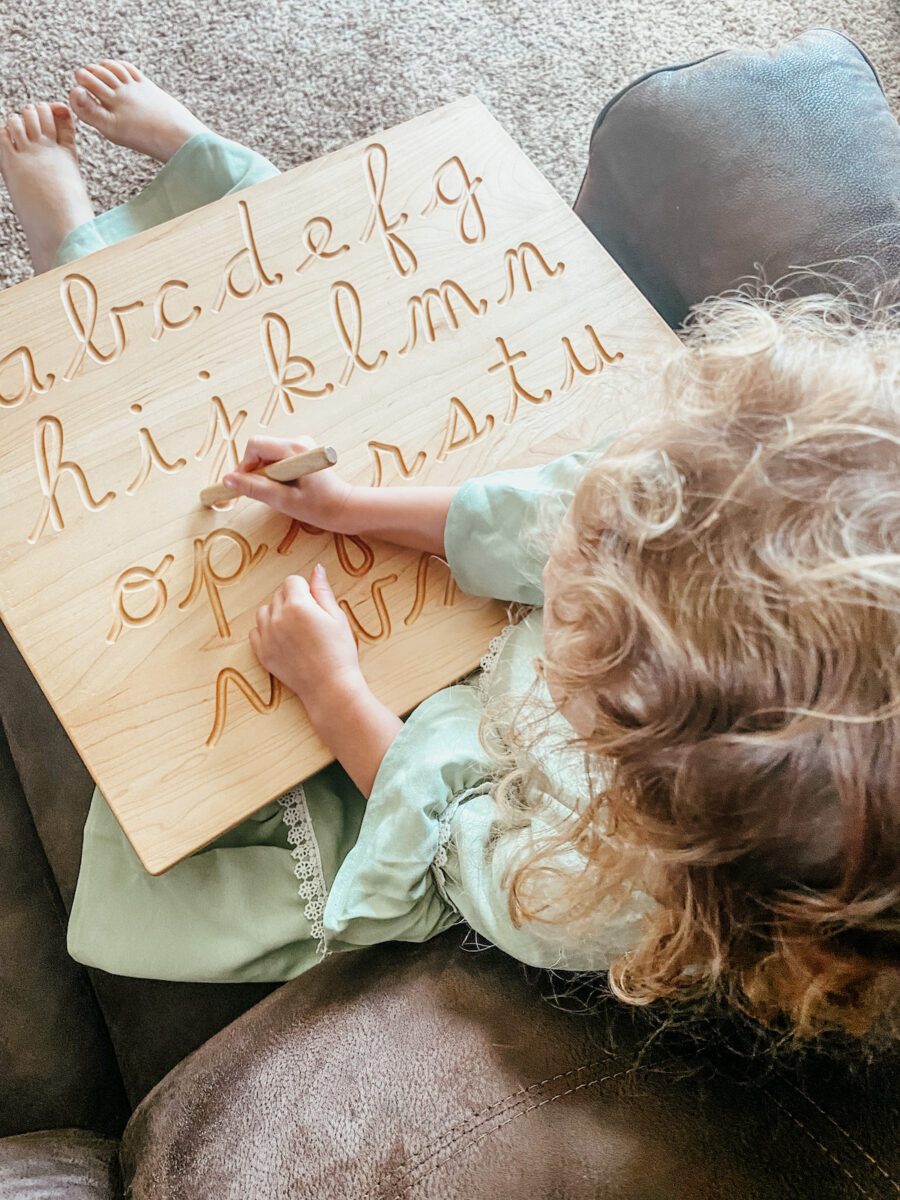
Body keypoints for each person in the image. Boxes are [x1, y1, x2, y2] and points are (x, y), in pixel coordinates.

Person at [2, 63, 899, 1045]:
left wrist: (335, 689)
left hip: (446, 752)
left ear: (608, 697)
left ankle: (75, 260)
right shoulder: (702, 522)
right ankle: (192, 184)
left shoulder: (583, 892)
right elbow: (546, 513)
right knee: (362, 335)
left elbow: (443, 840)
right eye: (605, 511)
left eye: (587, 563)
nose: (580, 523)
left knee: (175, 586)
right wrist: (355, 508)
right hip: (584, 661)